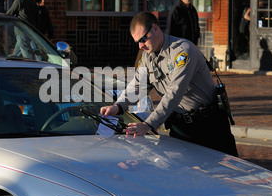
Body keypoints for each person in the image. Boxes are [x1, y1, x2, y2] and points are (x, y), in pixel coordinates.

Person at [101, 12, 238, 157]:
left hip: (209, 125)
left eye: (143, 39)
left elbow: (174, 92)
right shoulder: (147, 56)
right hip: (181, 126)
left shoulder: (183, 51)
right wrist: (118, 106)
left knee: (230, 173)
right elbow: (137, 86)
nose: (141, 46)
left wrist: (148, 125)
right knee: (179, 175)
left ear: (155, 28)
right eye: (137, 42)